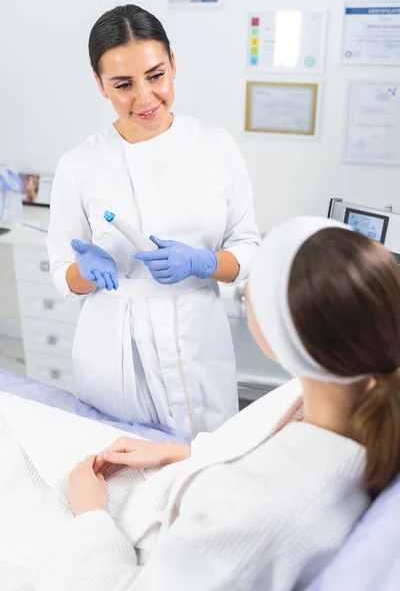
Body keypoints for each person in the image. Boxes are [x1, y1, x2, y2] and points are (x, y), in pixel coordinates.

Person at [4, 216, 400, 591]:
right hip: (166, 485)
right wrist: (181, 452)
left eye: (254, 287)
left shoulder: (265, 515)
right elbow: (263, 448)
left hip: (111, 537)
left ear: (282, 338)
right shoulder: (345, 387)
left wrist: (89, 514)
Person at [46, 4, 260, 436]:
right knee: (122, 465)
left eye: (156, 76)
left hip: (198, 334)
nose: (144, 98)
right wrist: (85, 273)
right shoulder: (79, 165)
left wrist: (203, 262)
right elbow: (61, 275)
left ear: (173, 65)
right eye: (123, 85)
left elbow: (249, 249)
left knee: (207, 459)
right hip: (115, 345)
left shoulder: (216, 148)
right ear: (100, 86)